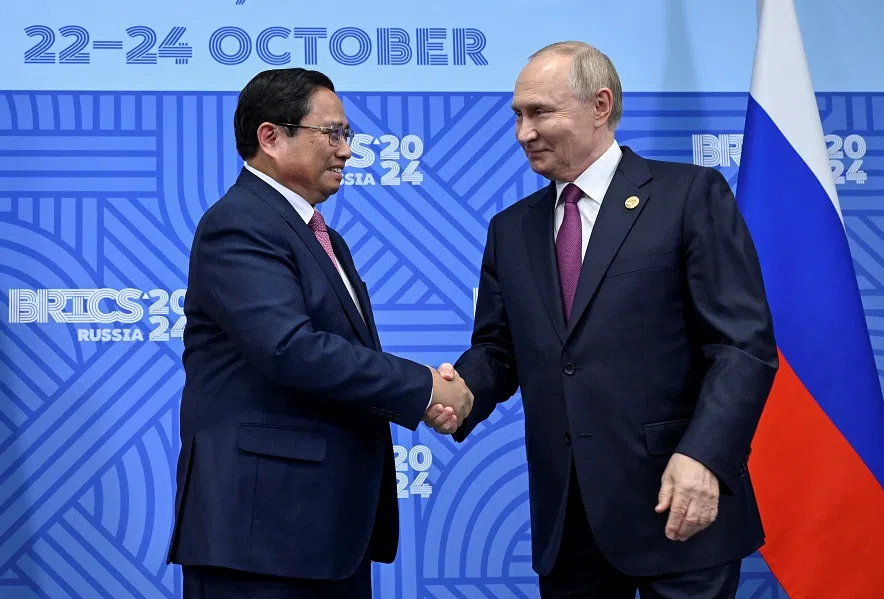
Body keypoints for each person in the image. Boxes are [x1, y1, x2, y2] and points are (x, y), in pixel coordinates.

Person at [435, 41, 779, 598]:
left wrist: (705, 456)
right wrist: (459, 392)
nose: (523, 132)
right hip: (570, 523)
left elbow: (743, 345)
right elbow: (499, 349)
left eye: (540, 112)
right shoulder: (510, 228)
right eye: (517, 116)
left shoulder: (688, 196)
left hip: (679, 501)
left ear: (600, 105)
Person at [165, 67, 471, 599]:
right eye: (331, 133)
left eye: (346, 135)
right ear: (271, 137)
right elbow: (291, 349)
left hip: (322, 534)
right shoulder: (239, 224)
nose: (346, 151)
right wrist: (423, 387)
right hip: (261, 537)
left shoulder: (319, 236)